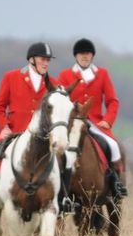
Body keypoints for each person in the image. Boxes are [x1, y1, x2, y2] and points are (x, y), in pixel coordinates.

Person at [0, 42, 56, 215]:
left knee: (63, 159)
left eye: (48, 60)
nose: (46, 63)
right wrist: (3, 127)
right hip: (13, 132)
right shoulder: (11, 77)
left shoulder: (52, 83)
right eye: (43, 59)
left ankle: (64, 199)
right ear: (32, 60)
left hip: (40, 138)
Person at [55, 38, 128, 207]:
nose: (84, 56)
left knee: (114, 146)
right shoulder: (65, 75)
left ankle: (116, 182)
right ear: (76, 56)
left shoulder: (102, 74)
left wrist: (107, 122)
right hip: (72, 124)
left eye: (87, 54)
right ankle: (57, 186)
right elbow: (60, 100)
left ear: (92, 56)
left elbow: (112, 101)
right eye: (81, 54)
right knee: (57, 151)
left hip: (96, 123)